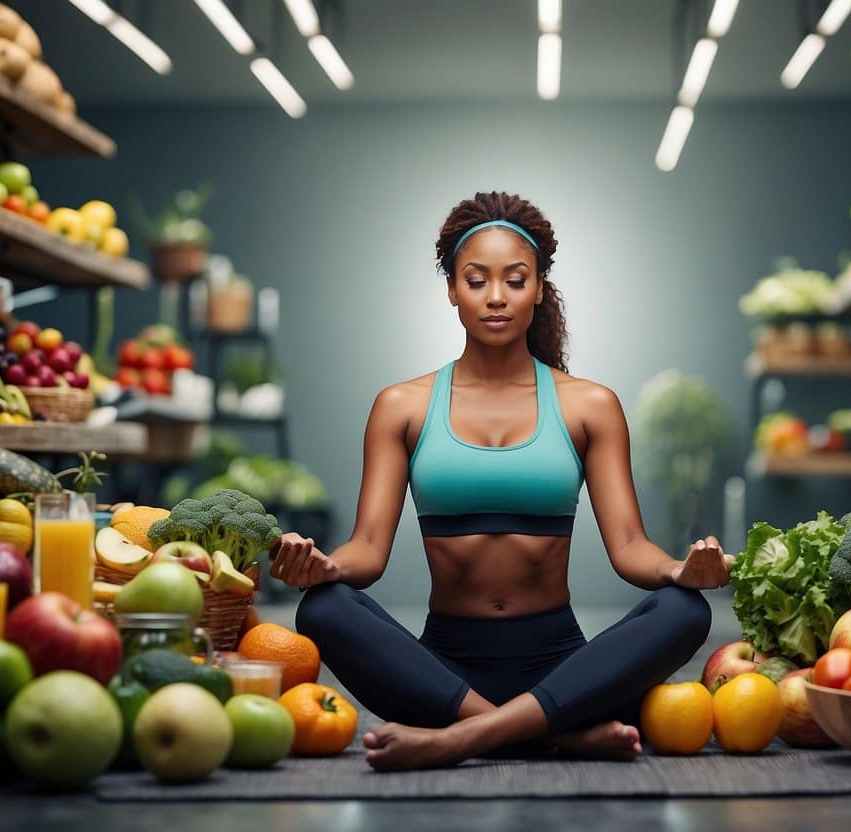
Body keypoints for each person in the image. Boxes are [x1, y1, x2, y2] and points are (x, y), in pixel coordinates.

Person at [270, 191, 732, 771]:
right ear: (451, 290)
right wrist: (326, 566)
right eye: (476, 280)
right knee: (322, 608)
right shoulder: (401, 406)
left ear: (539, 288)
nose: (495, 297)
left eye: (515, 281)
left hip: (562, 666)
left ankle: (457, 739)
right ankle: (554, 734)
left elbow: (630, 547)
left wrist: (677, 570)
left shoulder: (589, 405)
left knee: (686, 611)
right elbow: (367, 548)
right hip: (443, 671)